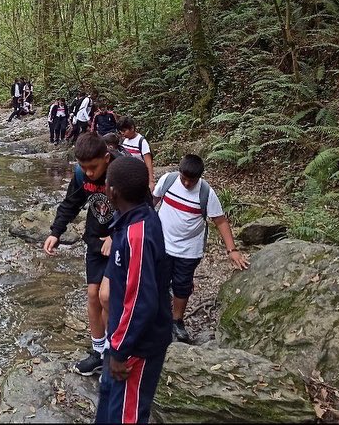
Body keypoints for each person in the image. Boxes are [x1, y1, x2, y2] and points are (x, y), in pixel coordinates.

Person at [96, 157, 171, 424]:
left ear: (112, 191)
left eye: (107, 182)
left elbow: (141, 300)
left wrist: (119, 351)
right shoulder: (131, 219)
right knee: (108, 397)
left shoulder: (137, 234)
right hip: (119, 337)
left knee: (127, 414)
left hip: (136, 347)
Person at [44, 133, 123, 376]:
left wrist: (116, 236)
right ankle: (98, 352)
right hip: (95, 240)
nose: (89, 173)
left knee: (107, 297)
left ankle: (114, 352)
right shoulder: (81, 175)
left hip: (121, 244)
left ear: (106, 158)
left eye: (93, 167)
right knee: (92, 295)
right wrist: (56, 232)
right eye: (83, 167)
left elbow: (142, 211)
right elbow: (71, 203)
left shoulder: (122, 173)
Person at [152, 154, 250, 343]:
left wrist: (232, 250)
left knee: (182, 285)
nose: (187, 183)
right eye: (184, 178)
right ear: (179, 172)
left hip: (189, 249)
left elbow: (220, 221)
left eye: (192, 180)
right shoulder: (168, 180)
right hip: (161, 243)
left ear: (199, 177)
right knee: (158, 282)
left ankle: (177, 321)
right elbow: (152, 202)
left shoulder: (206, 193)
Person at [118, 117, 155, 192]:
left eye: (124, 130)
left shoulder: (141, 142)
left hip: (139, 176)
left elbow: (148, 163)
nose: (122, 133)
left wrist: (151, 181)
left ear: (132, 128)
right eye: (121, 131)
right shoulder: (125, 141)